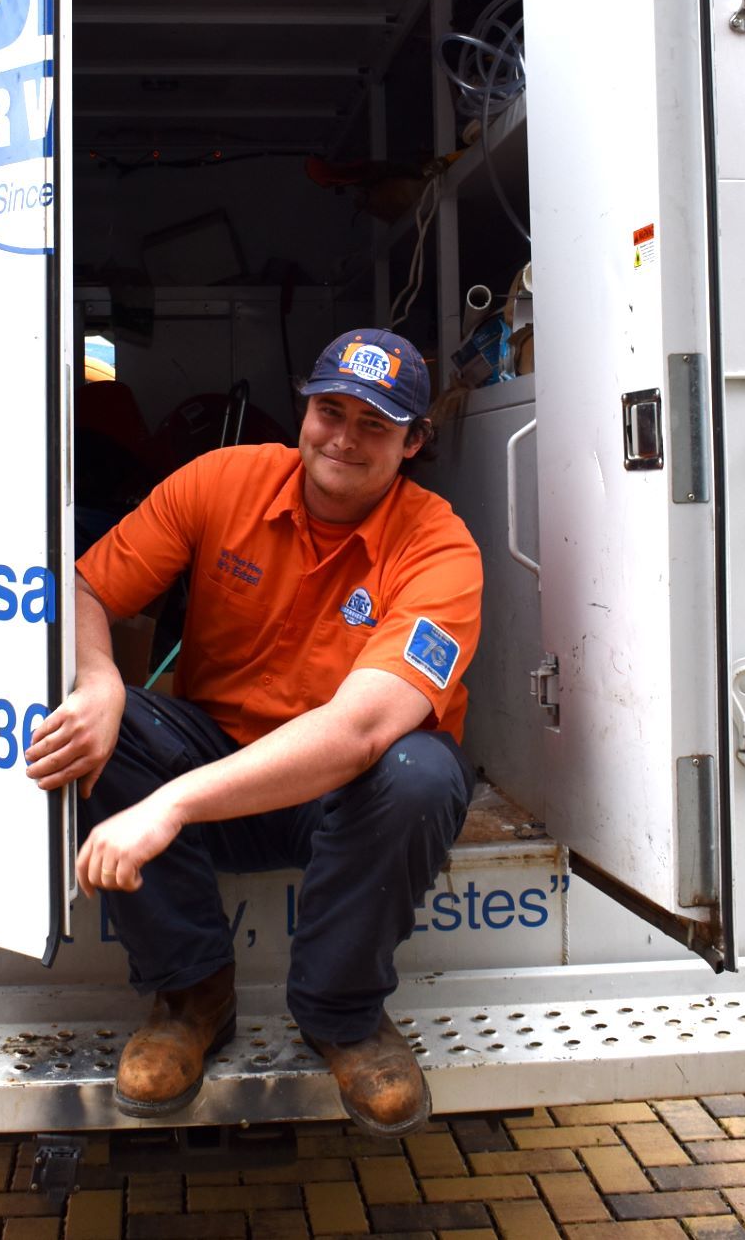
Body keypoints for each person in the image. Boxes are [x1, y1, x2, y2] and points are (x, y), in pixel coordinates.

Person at [25, 328, 483, 1135]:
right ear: (303, 409)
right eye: (329, 410)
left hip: (340, 792)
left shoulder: (441, 546)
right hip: (215, 754)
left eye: (375, 424)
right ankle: (192, 995)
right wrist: (99, 682)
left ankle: (343, 1016)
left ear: (413, 442)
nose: (343, 437)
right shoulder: (222, 480)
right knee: (89, 722)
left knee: (423, 769)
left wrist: (169, 806)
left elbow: (360, 729)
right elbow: (85, 587)